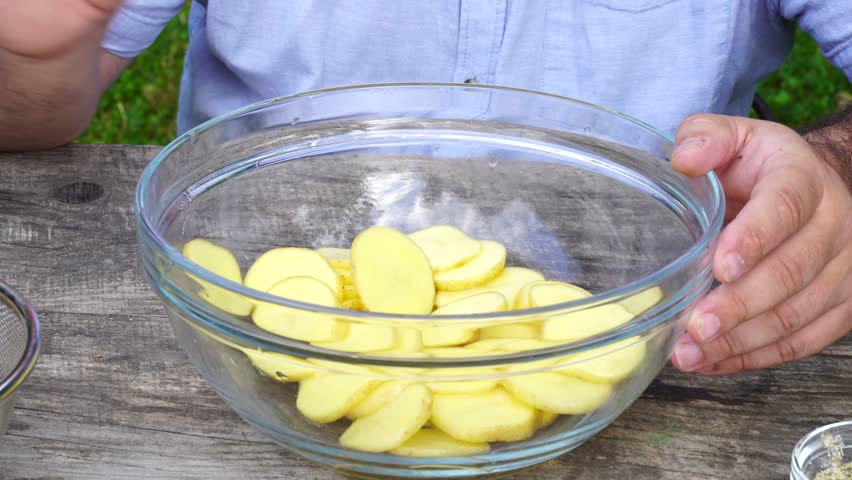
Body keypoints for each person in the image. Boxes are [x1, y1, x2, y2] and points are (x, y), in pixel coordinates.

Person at [1, 0, 850, 375]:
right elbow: (30, 111)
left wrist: (835, 171)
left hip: (656, 334)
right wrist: (28, 57)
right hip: (247, 334)